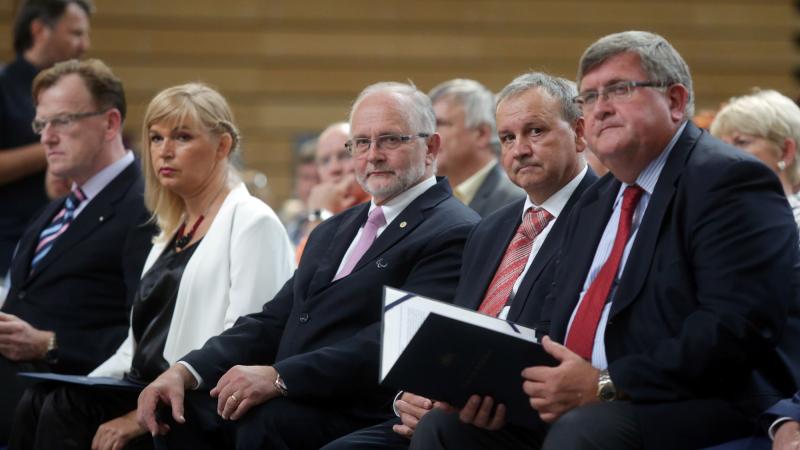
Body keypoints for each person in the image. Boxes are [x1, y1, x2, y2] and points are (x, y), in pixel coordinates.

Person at [409, 30, 800, 450]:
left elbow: (735, 327)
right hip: (586, 394)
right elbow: (555, 316)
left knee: (584, 432)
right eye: (590, 97)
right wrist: (493, 389)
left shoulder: (727, 180)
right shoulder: (599, 198)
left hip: (694, 398)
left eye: (619, 90)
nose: (600, 108)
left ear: (674, 101)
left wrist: (607, 384)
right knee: (446, 431)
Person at [135, 81, 480, 449]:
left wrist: (280, 376)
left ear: (431, 147)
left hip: (362, 409)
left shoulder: (453, 229)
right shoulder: (333, 229)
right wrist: (186, 370)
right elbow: (274, 319)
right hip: (298, 397)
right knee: (179, 412)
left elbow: (391, 342)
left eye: (390, 140)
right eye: (361, 142)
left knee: (259, 424)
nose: (373, 155)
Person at [7, 82, 296, 450]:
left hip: (196, 397)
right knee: (42, 397)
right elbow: (134, 345)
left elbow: (250, 342)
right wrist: (86, 383)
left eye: (182, 137)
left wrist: (136, 418)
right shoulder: (170, 229)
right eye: (156, 139)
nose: (165, 152)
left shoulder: (253, 221)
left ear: (222, 146)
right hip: (142, 385)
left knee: (66, 408)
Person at [322, 71, 598, 450]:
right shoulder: (491, 228)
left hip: (537, 414)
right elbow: (456, 328)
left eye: (536, 131)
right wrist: (413, 392)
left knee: (439, 432)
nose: (519, 149)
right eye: (508, 138)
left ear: (580, 133)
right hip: (456, 408)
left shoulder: (605, 214)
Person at [0, 58, 154, 443]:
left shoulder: (146, 206)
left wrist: (48, 344)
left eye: (62, 121)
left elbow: (149, 336)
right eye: (41, 124)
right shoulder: (58, 207)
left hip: (64, 404)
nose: (46, 137)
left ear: (110, 123)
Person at [0, 0, 93, 276]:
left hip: (63, 244)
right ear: (40, 30)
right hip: (8, 246)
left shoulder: (79, 92)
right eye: (76, 33)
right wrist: (58, 146)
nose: (84, 45)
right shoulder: (4, 87)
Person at [429, 78, 524, 216]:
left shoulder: (515, 201)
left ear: (481, 134)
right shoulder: (428, 196)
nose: (429, 135)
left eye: (440, 124)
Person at [710, 89, 800, 230]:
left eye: (741, 142)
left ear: (785, 151)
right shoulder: (712, 218)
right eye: (721, 145)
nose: (724, 153)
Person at [295, 122, 371, 260]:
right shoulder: (329, 208)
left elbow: (310, 273)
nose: (334, 168)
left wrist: (319, 215)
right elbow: (300, 275)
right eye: (325, 161)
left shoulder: (379, 210)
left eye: (344, 156)